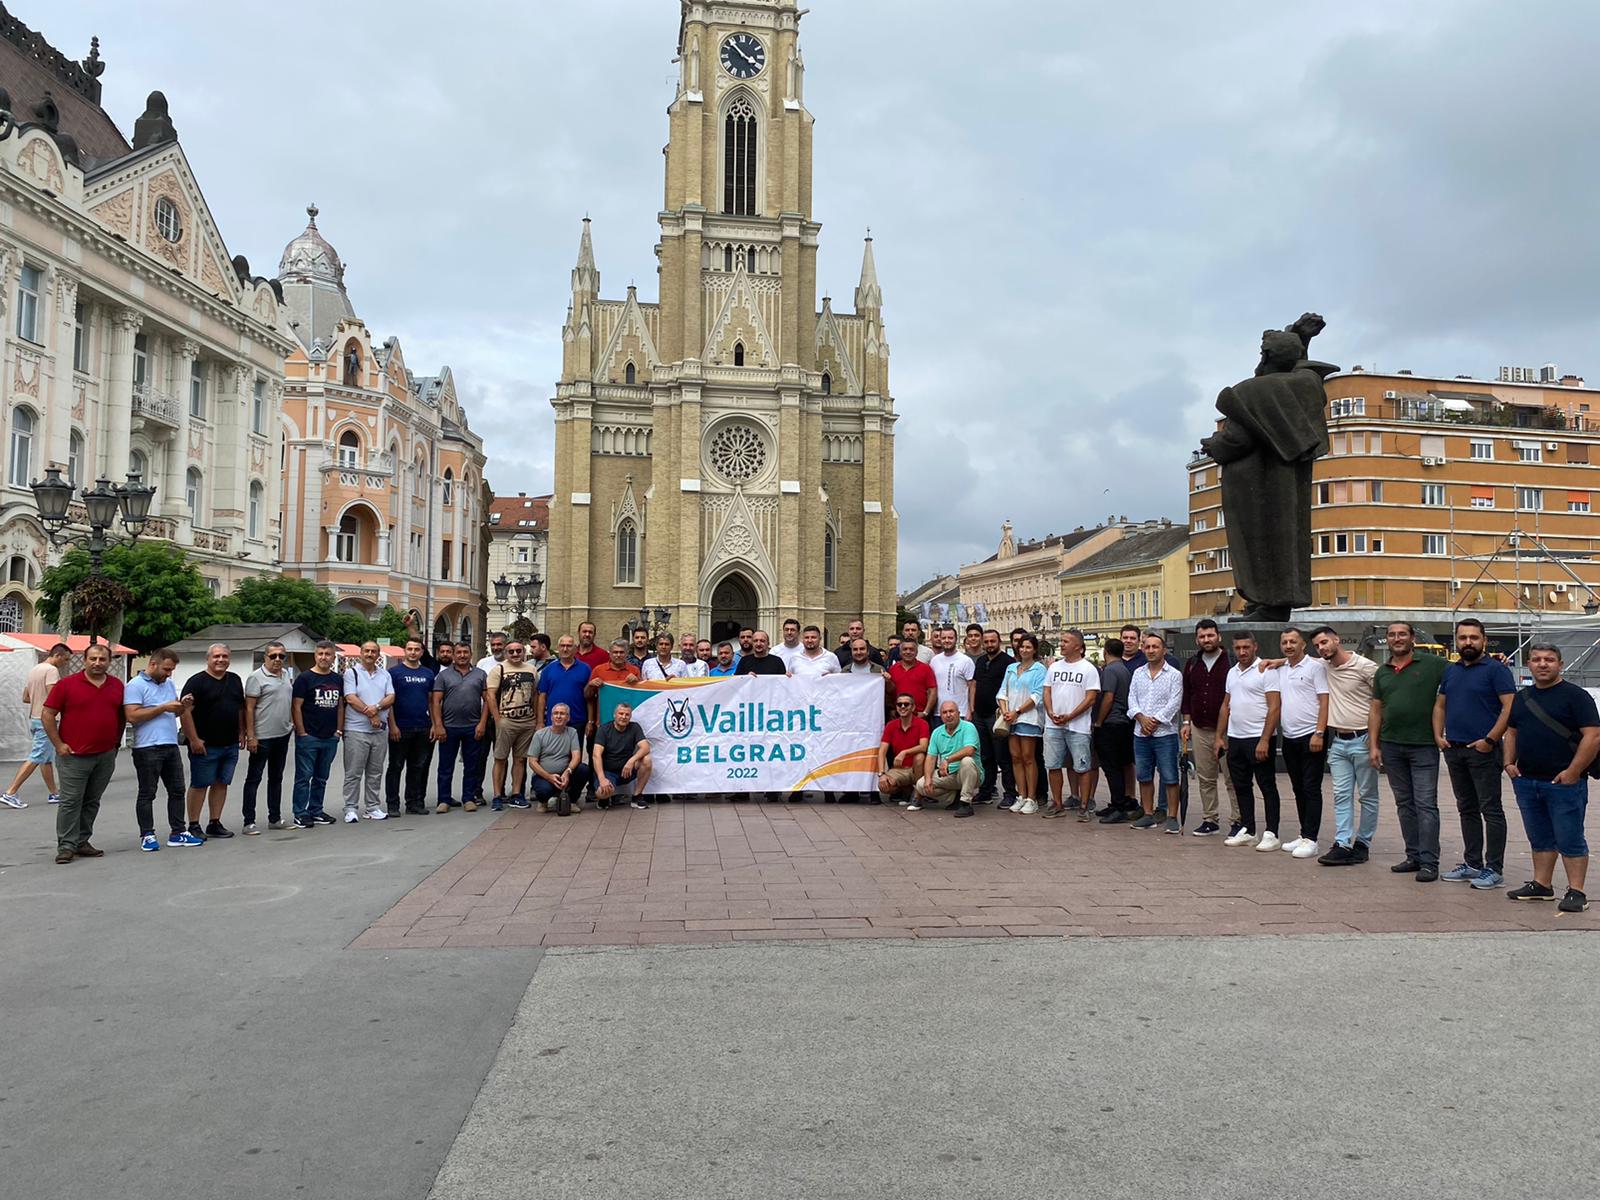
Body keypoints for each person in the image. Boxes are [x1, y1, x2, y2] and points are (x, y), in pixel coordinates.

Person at [1504, 642, 1600, 912]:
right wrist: (1508, 763)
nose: (1542, 664)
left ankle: (1577, 891)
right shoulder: (1522, 698)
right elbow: (1512, 731)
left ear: (1560, 664)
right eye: (1536, 659)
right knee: (1540, 836)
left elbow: (1593, 736)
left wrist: (1574, 771)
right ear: (1529, 664)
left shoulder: (1576, 696)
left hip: (1564, 783)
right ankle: (1542, 885)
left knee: (1570, 837)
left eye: (1549, 659)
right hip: (1527, 779)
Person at [1434, 617, 1515, 890]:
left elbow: (1509, 708)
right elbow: (1440, 705)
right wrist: (1438, 736)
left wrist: (1490, 740)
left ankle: (1494, 868)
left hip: (1483, 751)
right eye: (1463, 638)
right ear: (1456, 641)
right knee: (1466, 809)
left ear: (1484, 640)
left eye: (1473, 637)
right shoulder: (1451, 670)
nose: (1468, 642)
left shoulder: (1496, 670)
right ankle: (1472, 864)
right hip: (1455, 750)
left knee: (1490, 810)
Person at [1372, 621, 1448, 882]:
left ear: (1412, 637)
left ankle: (1429, 862)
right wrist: (1374, 745)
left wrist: (1497, 660)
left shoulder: (1433, 664)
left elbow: (1462, 672)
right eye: (1391, 634)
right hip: (1392, 745)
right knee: (1404, 804)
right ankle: (1413, 855)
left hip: (1424, 745)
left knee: (1426, 804)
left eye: (1402, 634)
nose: (1397, 638)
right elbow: (1376, 710)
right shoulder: (1382, 672)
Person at [42, 643, 125, 864]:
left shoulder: (117, 685)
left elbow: (121, 716)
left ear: (109, 661)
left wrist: (116, 743)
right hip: (73, 755)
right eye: (93, 659)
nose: (98, 663)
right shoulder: (66, 685)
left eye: (102, 659)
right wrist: (58, 744)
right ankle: (66, 846)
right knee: (70, 801)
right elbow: (48, 715)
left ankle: (81, 841)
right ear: (85, 660)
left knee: (92, 800)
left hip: (105, 755)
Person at [1311, 625, 1381, 866]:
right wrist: (1274, 661)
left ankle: (1363, 843)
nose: (1321, 648)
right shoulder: (1324, 665)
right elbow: (1299, 658)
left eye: (1324, 642)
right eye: (1317, 645)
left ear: (1337, 640)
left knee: (1368, 796)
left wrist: (1376, 741)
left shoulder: (1365, 666)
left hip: (1363, 739)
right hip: (1339, 742)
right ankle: (1342, 843)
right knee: (1341, 795)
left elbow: (1383, 700)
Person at [123, 648, 197, 851]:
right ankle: (147, 834)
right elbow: (132, 716)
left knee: (177, 790)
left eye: (171, 670)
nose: (169, 674)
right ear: (153, 664)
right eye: (166, 669)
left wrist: (182, 706)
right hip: (147, 747)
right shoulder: (135, 685)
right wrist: (163, 707)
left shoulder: (169, 684)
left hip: (170, 743)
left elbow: (172, 713)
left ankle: (178, 832)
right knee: (147, 793)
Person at [1217, 631, 1283, 848]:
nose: (1242, 652)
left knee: (1266, 785)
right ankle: (1248, 828)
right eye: (1238, 648)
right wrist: (1219, 736)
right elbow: (1226, 706)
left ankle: (1271, 832)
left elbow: (1274, 707)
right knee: (1241, 785)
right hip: (1236, 738)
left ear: (1255, 647)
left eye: (1246, 647)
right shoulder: (1232, 672)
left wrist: (1265, 739)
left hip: (1259, 737)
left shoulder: (1266, 670)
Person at [179, 643, 246, 840]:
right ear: (208, 659)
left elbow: (240, 708)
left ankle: (214, 822)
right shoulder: (196, 682)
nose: (220, 660)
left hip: (230, 744)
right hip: (205, 745)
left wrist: (242, 732)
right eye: (216, 656)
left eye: (225, 656)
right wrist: (194, 739)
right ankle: (193, 824)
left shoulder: (234, 680)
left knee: (221, 783)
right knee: (200, 784)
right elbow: (185, 712)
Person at [1275, 627, 1330, 860]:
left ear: (1303, 645)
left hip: (1312, 735)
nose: (1289, 646)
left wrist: (1319, 732)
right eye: (1285, 642)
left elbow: (1324, 701)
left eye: (1293, 642)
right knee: (1297, 788)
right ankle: (1303, 833)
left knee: (1311, 787)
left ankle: (1312, 838)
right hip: (1289, 737)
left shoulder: (1315, 668)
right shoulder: (1281, 669)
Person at [1, 640, 70, 809]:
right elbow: (54, 697)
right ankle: (10, 792)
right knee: (37, 756)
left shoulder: (35, 669)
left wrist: (39, 699)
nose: (65, 663)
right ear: (57, 655)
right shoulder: (51, 670)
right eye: (65, 659)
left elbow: (26, 697)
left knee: (45, 758)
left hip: (34, 717)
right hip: (46, 720)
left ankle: (54, 793)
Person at [1180, 619, 1233, 837]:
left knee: (1232, 778)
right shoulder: (1193, 663)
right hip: (1200, 727)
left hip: (1229, 729)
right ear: (1197, 639)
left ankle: (1239, 820)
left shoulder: (1230, 662)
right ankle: (1210, 819)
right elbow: (1187, 694)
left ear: (1218, 636)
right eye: (1202, 636)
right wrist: (1186, 722)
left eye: (1210, 635)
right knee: (1206, 777)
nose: (1206, 640)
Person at [1127, 632, 1184, 833]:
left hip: (1165, 734)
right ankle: (1148, 814)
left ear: (1164, 650)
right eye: (1147, 647)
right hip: (1140, 733)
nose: (1151, 650)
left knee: (1169, 776)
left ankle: (1171, 817)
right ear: (1143, 649)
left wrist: (1155, 720)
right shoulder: (1138, 673)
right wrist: (1141, 718)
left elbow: (1175, 702)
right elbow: (1131, 699)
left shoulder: (1174, 675)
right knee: (1144, 776)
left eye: (1155, 647)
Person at [1042, 629, 1100, 819]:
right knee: (1053, 764)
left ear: (1078, 646)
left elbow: (1090, 698)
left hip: (1078, 726)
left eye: (1066, 641)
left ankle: (1084, 805)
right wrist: (1051, 712)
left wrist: (1070, 716)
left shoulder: (1088, 669)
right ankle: (1057, 803)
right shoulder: (1054, 667)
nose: (1062, 644)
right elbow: (1047, 692)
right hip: (1053, 725)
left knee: (1082, 766)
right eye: (1062, 641)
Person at [241, 640, 294, 834]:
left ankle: (275, 818)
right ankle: (249, 821)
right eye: (273, 656)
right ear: (265, 657)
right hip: (262, 736)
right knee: (254, 778)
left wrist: (291, 724)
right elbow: (249, 708)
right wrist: (251, 736)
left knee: (276, 778)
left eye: (281, 656)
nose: (278, 659)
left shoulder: (286, 674)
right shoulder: (256, 677)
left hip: (282, 734)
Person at [291, 640, 344, 828]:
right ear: (315, 655)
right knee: (304, 777)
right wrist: (302, 732)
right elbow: (296, 706)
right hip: (309, 736)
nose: (323, 657)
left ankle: (316, 810)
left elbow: (339, 706)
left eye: (327, 654)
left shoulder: (337, 679)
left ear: (333, 657)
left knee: (321, 777)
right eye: (320, 653)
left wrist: (339, 730)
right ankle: (300, 812)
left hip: (330, 737)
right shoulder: (304, 678)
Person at [342, 640, 394, 822]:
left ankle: (372, 807)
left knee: (375, 771)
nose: (370, 654)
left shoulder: (385, 674)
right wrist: (371, 715)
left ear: (378, 655)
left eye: (373, 651)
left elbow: (391, 697)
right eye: (367, 651)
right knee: (353, 772)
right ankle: (350, 808)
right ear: (361, 653)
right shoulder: (351, 673)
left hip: (379, 731)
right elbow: (350, 698)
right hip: (356, 730)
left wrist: (377, 707)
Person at [385, 636, 437, 817]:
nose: (413, 652)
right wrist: (392, 726)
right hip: (401, 728)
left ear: (422, 652)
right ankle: (392, 804)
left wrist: (434, 724)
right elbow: (389, 702)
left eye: (417, 649)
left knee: (417, 767)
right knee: (396, 766)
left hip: (422, 727)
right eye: (410, 649)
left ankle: (413, 802)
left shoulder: (428, 674)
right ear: (405, 651)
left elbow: (431, 701)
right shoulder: (393, 673)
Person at [432, 641, 486, 813]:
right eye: (459, 652)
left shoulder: (480, 674)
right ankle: (444, 799)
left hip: (473, 726)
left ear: (470, 654)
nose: (462, 655)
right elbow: (435, 701)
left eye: (465, 652)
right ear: (454, 655)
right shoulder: (444, 676)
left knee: (471, 765)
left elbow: (487, 701)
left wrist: (482, 723)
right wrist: (438, 725)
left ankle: (468, 798)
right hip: (449, 727)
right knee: (445, 766)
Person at [487, 641, 541, 809]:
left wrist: (537, 719)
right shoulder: (499, 670)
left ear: (523, 652)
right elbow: (490, 695)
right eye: (511, 651)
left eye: (519, 651)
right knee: (500, 758)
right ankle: (497, 795)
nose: (515, 654)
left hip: (526, 721)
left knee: (520, 759)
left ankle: (516, 793)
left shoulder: (531, 670)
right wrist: (498, 719)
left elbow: (536, 695)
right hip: (506, 720)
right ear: (506, 653)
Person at [999, 633, 1046, 813]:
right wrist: (1005, 712)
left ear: (1034, 650)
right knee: (1016, 758)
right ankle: (1021, 794)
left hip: (1029, 717)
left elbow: (1037, 695)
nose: (1024, 650)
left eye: (1028, 647)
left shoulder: (1039, 669)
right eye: (1022, 646)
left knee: (1028, 757)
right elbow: (1003, 691)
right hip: (1010, 718)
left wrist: (1017, 711)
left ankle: (1031, 798)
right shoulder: (1011, 668)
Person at [1094, 638, 1138, 823]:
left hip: (1111, 723)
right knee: (1121, 764)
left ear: (1105, 651)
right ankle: (1120, 802)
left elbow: (1108, 697)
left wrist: (1098, 721)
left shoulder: (1110, 670)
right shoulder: (1124, 669)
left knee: (1111, 767)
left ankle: (1118, 805)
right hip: (1124, 722)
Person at [912, 700, 981, 816]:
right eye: (944, 712)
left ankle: (965, 803)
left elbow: (970, 750)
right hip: (949, 774)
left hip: (970, 773)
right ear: (941, 716)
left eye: (951, 711)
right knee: (921, 785)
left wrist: (948, 760)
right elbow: (930, 758)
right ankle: (955, 796)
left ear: (959, 713)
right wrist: (928, 778)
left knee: (967, 761)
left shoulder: (969, 727)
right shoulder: (937, 732)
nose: (948, 715)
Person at [528, 701, 592, 816]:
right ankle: (543, 802)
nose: (558, 716)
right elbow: (532, 762)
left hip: (564, 775)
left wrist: (568, 772)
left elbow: (576, 756)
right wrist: (548, 777)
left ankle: (571, 801)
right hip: (544, 776)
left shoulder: (572, 732)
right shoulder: (540, 735)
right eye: (555, 713)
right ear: (551, 717)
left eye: (562, 714)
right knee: (543, 790)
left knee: (584, 769)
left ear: (568, 718)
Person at [972, 628, 1014, 805]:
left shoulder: (1008, 662)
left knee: (1002, 756)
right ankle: (986, 790)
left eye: (992, 641)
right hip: (979, 714)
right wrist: (971, 708)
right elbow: (974, 684)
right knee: (985, 756)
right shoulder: (981, 661)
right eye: (986, 642)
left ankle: (1010, 793)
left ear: (999, 642)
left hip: (996, 715)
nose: (989, 645)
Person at [593, 701, 652, 809]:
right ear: (614, 715)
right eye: (621, 714)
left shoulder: (634, 727)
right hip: (609, 772)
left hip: (627, 770)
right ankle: (604, 799)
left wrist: (631, 761)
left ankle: (637, 797)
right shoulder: (604, 730)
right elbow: (596, 755)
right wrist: (602, 779)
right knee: (602, 792)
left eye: (627, 714)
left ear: (630, 716)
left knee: (647, 760)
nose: (624, 717)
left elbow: (645, 747)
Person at [878, 693, 929, 805]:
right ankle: (907, 789)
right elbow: (882, 751)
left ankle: (918, 794)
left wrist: (904, 752)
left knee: (920, 757)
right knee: (884, 786)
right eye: (899, 704)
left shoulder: (922, 724)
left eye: (906, 704)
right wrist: (881, 774)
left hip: (918, 768)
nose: (902, 707)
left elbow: (924, 746)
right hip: (901, 769)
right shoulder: (891, 725)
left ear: (913, 707)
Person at [889, 637, 938, 726]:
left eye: (911, 649)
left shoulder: (926, 669)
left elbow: (932, 691)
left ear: (916, 652)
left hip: (919, 716)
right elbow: (889, 691)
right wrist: (892, 709)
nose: (908, 652)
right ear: (900, 652)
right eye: (905, 649)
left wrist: (925, 712)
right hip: (899, 715)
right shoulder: (893, 669)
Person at [931, 626, 976, 719]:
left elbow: (972, 687)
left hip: (961, 712)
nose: (947, 641)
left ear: (956, 639)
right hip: (938, 713)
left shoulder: (965, 660)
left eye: (950, 638)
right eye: (944, 638)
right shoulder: (934, 660)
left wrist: (970, 710)